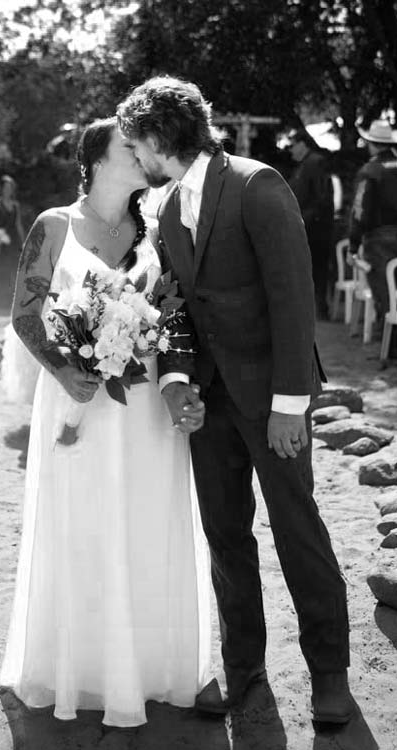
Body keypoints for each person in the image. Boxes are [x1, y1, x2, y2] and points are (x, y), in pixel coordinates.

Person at [117, 77, 352, 724]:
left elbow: (293, 299)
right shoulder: (163, 211)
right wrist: (175, 381)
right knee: (225, 539)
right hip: (209, 407)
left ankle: (330, 674)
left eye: (137, 145)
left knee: (298, 532)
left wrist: (287, 406)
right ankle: (245, 672)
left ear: (161, 139)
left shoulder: (256, 185)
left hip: (270, 400)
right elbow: (176, 312)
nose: (134, 159)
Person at [0, 117, 212, 727]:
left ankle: (146, 666)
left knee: (146, 520)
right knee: (84, 522)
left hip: (143, 408)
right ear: (95, 160)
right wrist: (66, 370)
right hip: (79, 400)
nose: (142, 155)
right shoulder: (54, 226)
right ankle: (85, 667)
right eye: (129, 146)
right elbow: (25, 312)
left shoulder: (158, 229)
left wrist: (173, 383)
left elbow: (171, 317)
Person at [349, 119, 397, 327]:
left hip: (380, 240)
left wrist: (353, 243)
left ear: (371, 143)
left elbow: (360, 210)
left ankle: (391, 345)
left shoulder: (369, 171)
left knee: (384, 292)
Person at [286, 129, 335, 319]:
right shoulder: (304, 164)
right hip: (306, 225)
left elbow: (322, 198)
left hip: (316, 228)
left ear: (302, 144)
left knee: (317, 269)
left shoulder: (315, 162)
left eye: (292, 146)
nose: (290, 150)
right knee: (308, 269)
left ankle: (320, 308)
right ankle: (313, 309)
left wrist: (304, 218)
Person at [0, 175, 25, 261]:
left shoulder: (16, 205)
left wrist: (23, 243)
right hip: (0, 240)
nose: (8, 190)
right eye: (6, 187)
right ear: (1, 188)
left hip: (14, 241)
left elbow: (18, 225)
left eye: (10, 188)